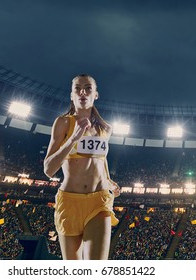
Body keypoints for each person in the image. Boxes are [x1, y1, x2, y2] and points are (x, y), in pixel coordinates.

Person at [43, 74, 120, 260]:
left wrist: (109, 181)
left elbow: (100, 159)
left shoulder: (105, 128)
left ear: (96, 95)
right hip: (69, 202)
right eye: (78, 88)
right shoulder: (62, 123)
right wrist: (73, 138)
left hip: (99, 201)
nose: (83, 92)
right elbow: (48, 169)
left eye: (88, 88)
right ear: (72, 95)